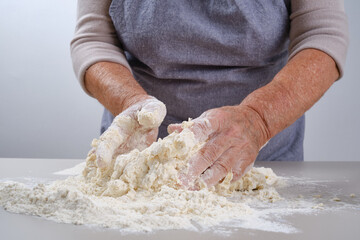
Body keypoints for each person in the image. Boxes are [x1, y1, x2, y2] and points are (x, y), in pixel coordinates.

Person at [70, 0, 349, 188]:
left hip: (262, 165)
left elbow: (322, 35)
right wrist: (132, 103)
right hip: (138, 166)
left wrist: (258, 120)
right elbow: (94, 38)